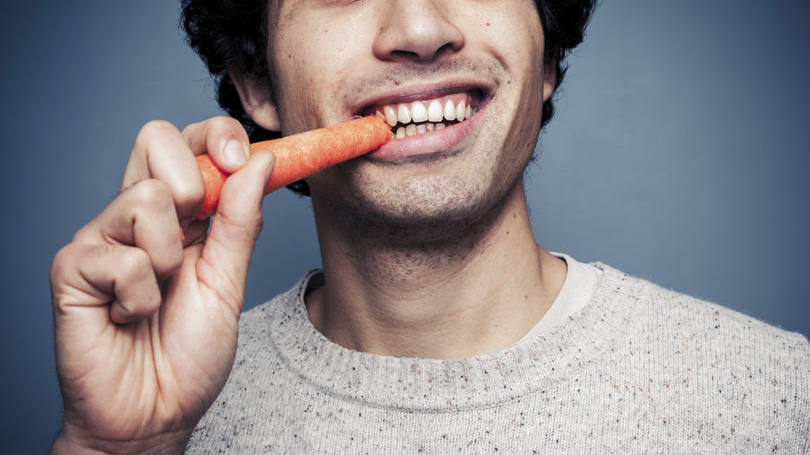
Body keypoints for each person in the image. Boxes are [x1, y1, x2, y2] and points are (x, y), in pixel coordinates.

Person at [49, 0, 808, 453]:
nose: (418, 27)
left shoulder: (780, 405)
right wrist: (116, 450)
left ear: (545, 51)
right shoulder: (167, 417)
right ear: (257, 85)